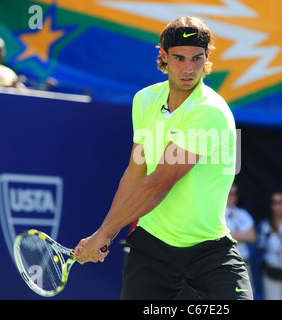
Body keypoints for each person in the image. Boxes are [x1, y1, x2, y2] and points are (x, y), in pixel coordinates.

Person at [74, 16, 253, 300]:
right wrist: (103, 233)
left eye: (197, 58)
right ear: (164, 57)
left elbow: (159, 183)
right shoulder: (144, 100)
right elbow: (136, 172)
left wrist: (105, 234)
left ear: (207, 57)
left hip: (209, 248)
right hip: (152, 245)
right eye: (179, 58)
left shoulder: (210, 111)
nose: (189, 69)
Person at [225, 183, 257, 285]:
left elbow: (253, 237)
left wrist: (234, 234)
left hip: (244, 263)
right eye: (230, 193)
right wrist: (242, 235)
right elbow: (223, 237)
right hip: (226, 265)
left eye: (236, 193)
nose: (233, 196)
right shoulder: (217, 214)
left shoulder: (243, 213)